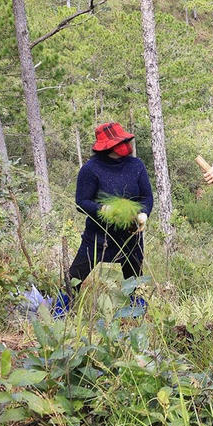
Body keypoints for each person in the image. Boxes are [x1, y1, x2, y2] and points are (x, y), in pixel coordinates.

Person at [61, 122, 153, 311]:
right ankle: (60, 311)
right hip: (98, 236)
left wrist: (143, 213)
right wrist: (103, 209)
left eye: (126, 141)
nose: (126, 145)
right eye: (120, 142)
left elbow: (147, 196)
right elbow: (81, 202)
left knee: (134, 279)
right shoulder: (91, 169)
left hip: (131, 235)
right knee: (75, 276)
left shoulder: (136, 165)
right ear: (107, 147)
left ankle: (136, 314)